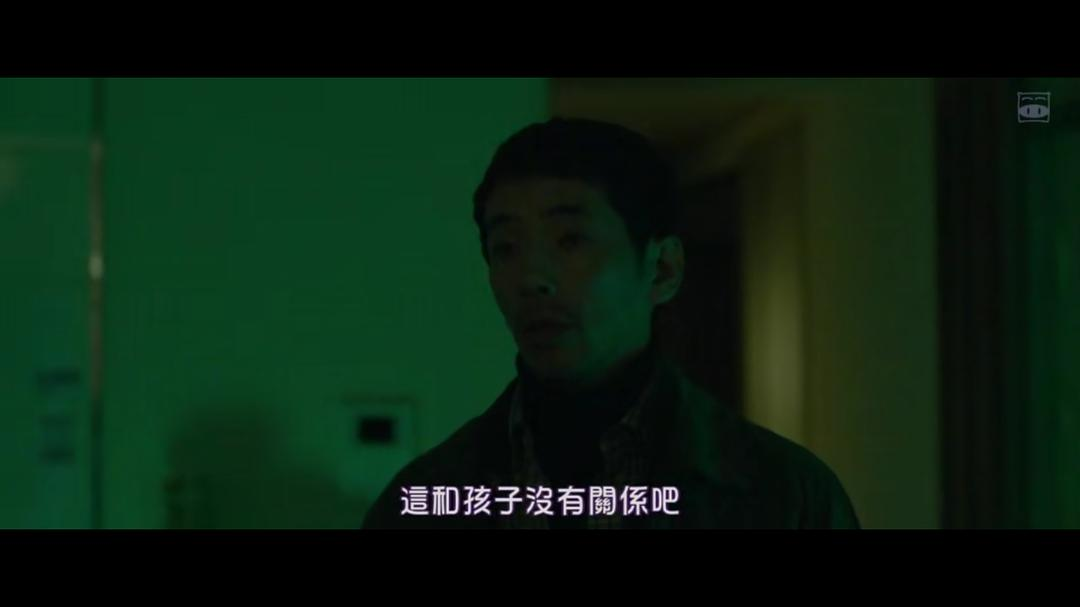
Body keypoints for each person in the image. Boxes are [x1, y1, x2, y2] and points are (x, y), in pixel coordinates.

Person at [362, 117, 859, 529]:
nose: (532, 278)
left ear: (662, 269)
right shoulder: (425, 498)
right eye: (506, 247)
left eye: (570, 241)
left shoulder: (784, 495)